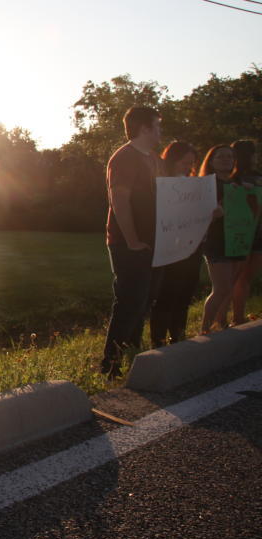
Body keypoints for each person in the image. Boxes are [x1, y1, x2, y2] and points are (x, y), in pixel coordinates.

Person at [99, 106, 163, 378]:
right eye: (157, 125)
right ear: (144, 128)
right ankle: (109, 366)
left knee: (143, 299)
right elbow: (119, 200)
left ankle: (132, 354)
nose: (161, 130)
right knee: (128, 301)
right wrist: (133, 240)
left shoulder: (154, 159)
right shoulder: (125, 157)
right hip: (128, 244)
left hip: (152, 242)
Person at [148, 141, 201, 346]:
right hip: (169, 248)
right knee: (166, 295)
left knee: (185, 294)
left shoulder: (195, 186)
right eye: (183, 162)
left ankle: (178, 337)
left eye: (191, 163)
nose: (187, 167)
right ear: (172, 160)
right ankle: (158, 341)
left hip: (192, 248)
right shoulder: (161, 183)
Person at [199, 144, 246, 333]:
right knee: (221, 288)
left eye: (230, 156)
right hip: (216, 242)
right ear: (211, 161)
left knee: (229, 287)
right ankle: (204, 331)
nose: (227, 159)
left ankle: (221, 323)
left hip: (236, 240)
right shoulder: (207, 185)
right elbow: (200, 214)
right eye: (221, 156)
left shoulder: (236, 183)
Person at [230, 140, 261, 325]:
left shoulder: (258, 176)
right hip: (239, 232)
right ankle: (231, 318)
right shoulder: (232, 179)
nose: (256, 157)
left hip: (259, 232)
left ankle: (239, 316)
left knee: (248, 275)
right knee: (237, 276)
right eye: (254, 153)